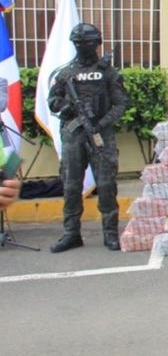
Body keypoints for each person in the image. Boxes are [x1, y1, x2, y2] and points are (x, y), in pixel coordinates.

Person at [47, 23, 128, 253]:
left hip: (101, 134)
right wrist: (68, 108)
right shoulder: (66, 73)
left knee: (106, 184)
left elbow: (121, 103)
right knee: (71, 185)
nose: (83, 47)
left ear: (97, 44)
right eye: (79, 43)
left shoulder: (107, 72)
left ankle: (110, 233)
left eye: (87, 43)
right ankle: (71, 233)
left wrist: (100, 123)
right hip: (73, 134)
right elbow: (53, 102)